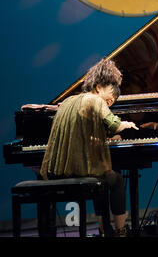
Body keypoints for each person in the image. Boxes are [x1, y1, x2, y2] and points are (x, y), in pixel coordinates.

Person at [40, 59, 138, 237]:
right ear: (99, 86)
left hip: (55, 171)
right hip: (77, 171)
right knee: (115, 179)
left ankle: (103, 229)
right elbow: (114, 124)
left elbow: (81, 135)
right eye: (109, 98)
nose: (110, 103)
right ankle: (120, 231)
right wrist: (127, 124)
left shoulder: (68, 101)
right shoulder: (94, 100)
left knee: (101, 175)